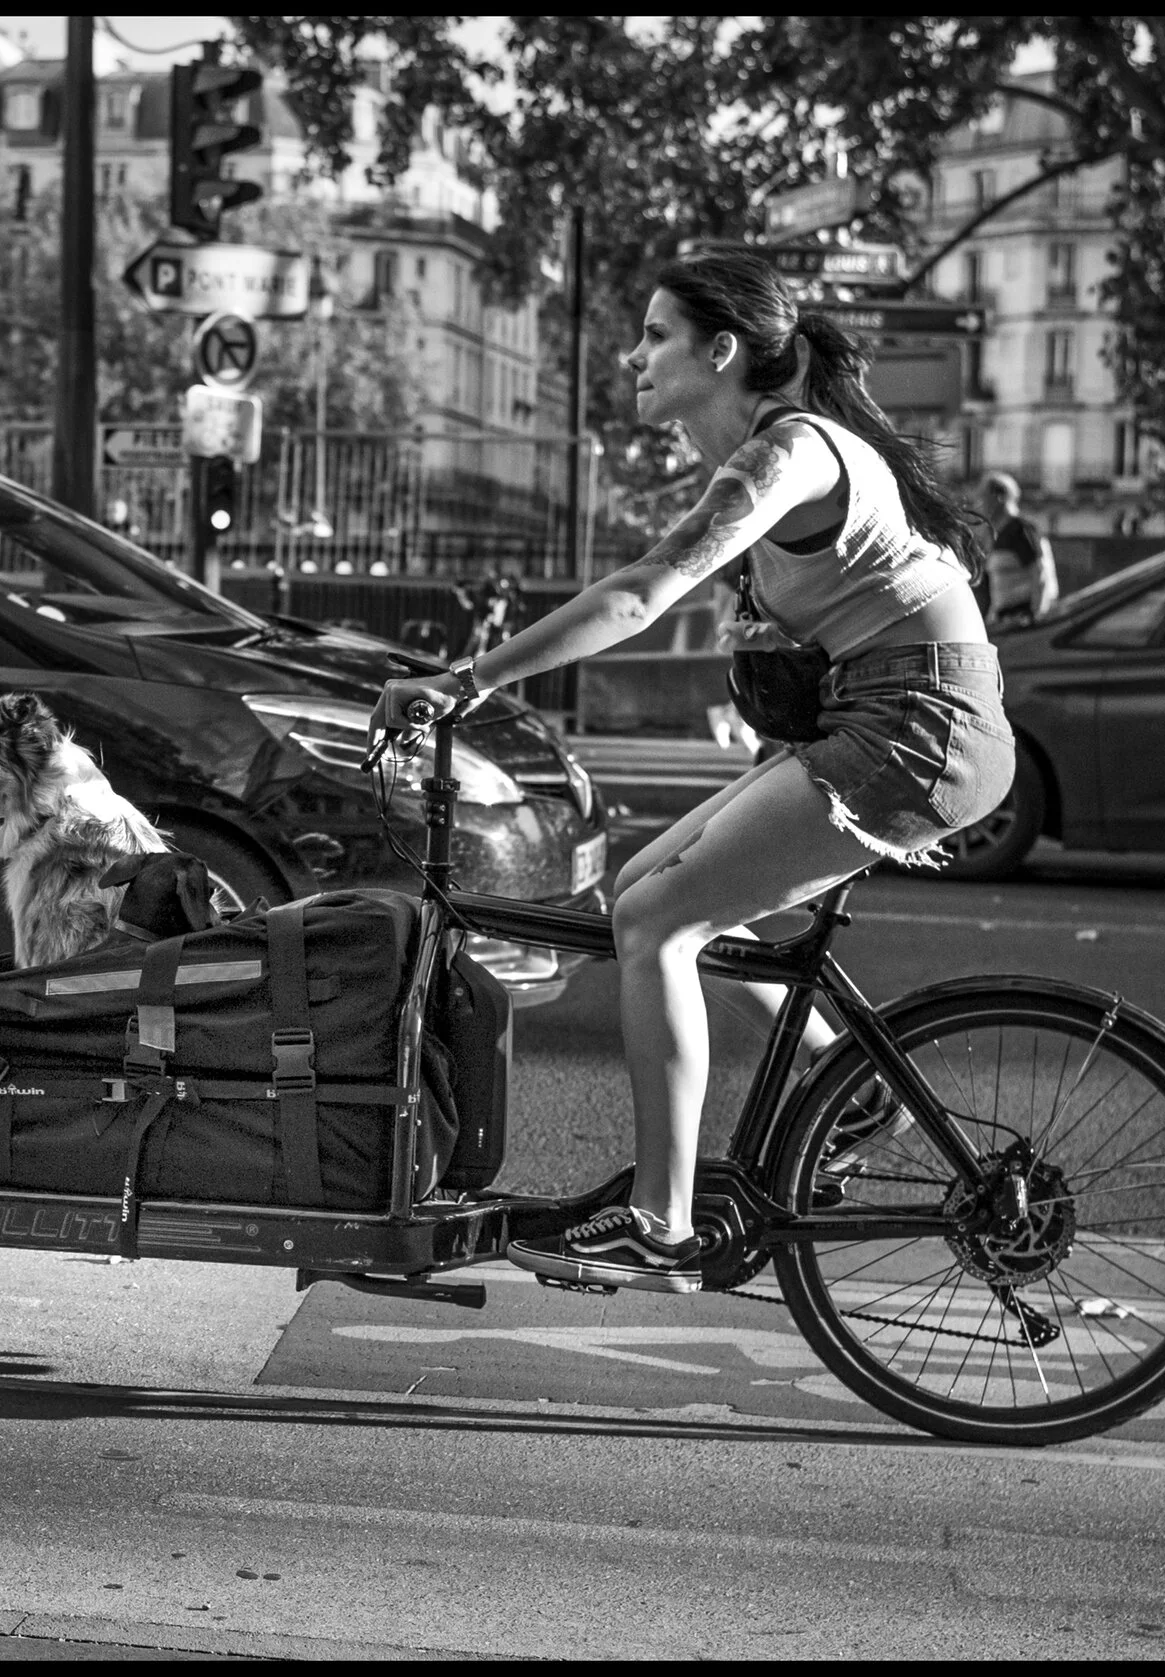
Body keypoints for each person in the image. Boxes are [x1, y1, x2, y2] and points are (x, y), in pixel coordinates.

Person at [373, 252, 1014, 1294]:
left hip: (916, 726)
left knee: (661, 926)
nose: (633, 354)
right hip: (893, 715)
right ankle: (842, 1082)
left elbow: (640, 595)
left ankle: (658, 1226)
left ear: (720, 351)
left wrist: (467, 682)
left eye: (656, 333)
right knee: (642, 895)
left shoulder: (793, 452)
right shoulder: (784, 455)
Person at [978, 472, 1057, 628]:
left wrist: (1036, 617)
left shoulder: (1021, 530)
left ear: (999, 497)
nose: (980, 505)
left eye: (984, 498)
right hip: (1005, 618)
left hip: (1023, 618)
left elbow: (1040, 574)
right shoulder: (996, 533)